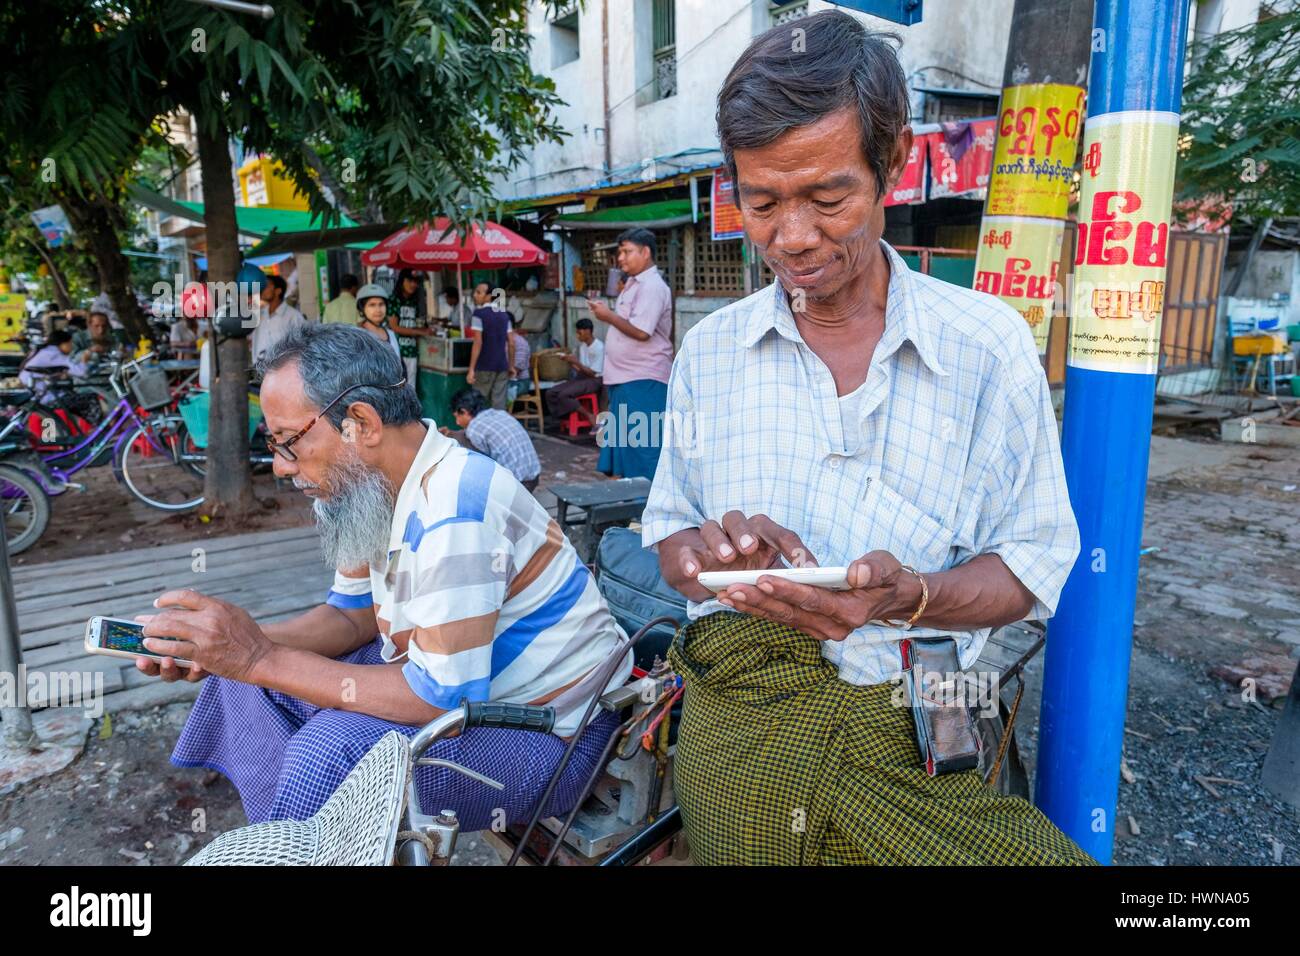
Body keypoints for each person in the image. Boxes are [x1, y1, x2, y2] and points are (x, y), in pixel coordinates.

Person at [640, 10, 1092, 866]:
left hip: (924, 714)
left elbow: (1029, 571)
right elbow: (669, 539)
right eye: (762, 202)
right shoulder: (710, 352)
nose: (793, 238)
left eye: (828, 198)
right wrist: (711, 554)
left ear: (895, 163)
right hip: (744, 720)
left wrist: (902, 595)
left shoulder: (985, 347)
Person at [143, 323, 632, 829]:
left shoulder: (455, 507)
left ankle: (304, 840)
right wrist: (231, 645)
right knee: (243, 682)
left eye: (289, 442)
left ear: (362, 423)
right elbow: (350, 615)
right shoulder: (369, 485)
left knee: (329, 751)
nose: (282, 468)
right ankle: (293, 839)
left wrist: (259, 656)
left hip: (555, 731)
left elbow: (438, 697)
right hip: (469, 693)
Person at [584, 228, 673, 480]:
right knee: (624, 447)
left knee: (643, 447)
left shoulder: (653, 286)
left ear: (645, 253)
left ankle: (647, 512)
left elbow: (643, 332)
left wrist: (608, 316)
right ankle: (626, 509)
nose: (621, 258)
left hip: (643, 377)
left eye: (626, 251)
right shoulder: (633, 284)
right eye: (620, 252)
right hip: (625, 378)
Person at [440, 387, 541, 492]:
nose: (457, 423)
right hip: (533, 477)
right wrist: (451, 433)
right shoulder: (497, 413)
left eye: (457, 417)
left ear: (464, 412)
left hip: (518, 485)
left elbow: (480, 461)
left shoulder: (474, 428)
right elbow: (472, 435)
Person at [545, 317, 604, 430]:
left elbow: (592, 373)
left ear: (587, 331)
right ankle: (564, 416)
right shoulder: (583, 346)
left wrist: (576, 362)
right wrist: (570, 361)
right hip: (581, 378)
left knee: (564, 395)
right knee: (551, 392)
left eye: (579, 332)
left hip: (594, 381)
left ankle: (590, 416)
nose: (577, 335)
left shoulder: (599, 347)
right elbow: (580, 369)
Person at [466, 281, 512, 410]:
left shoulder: (479, 314)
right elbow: (511, 343)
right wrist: (512, 365)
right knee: (499, 405)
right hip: (502, 366)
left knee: (477, 405)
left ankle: (477, 430)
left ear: (489, 296)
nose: (475, 295)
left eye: (479, 292)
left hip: (484, 365)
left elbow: (478, 342)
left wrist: (471, 369)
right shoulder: (504, 315)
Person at [251, 273, 308, 366]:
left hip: (284, 370)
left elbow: (304, 344)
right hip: (261, 370)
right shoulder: (259, 315)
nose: (262, 289)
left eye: (266, 286)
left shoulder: (293, 316)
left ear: (278, 291)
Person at [388, 268, 432, 386]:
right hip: (397, 351)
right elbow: (394, 327)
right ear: (402, 280)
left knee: (410, 387)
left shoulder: (414, 301)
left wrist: (424, 330)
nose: (413, 284)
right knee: (397, 386)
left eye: (416, 282)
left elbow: (416, 324)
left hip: (412, 351)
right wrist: (420, 332)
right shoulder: (393, 300)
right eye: (410, 280)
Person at [354, 283, 402, 361]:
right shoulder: (357, 336)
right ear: (362, 308)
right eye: (372, 305)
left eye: (381, 304)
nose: (378, 310)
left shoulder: (391, 334)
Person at [506, 314, 533, 404]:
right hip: (505, 379)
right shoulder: (503, 341)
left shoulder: (520, 343)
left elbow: (515, 369)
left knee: (497, 392)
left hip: (519, 382)